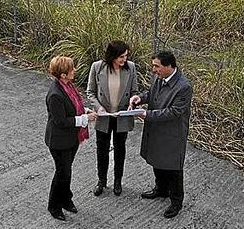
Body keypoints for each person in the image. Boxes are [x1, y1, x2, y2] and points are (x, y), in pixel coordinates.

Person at [128, 50, 192, 219]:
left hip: (172, 134)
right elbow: (151, 94)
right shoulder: (160, 78)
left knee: (173, 168)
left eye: (156, 66)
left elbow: (174, 112)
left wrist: (146, 115)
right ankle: (161, 190)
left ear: (169, 66)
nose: (153, 70)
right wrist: (139, 99)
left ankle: (176, 201)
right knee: (157, 160)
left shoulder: (184, 87)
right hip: (157, 129)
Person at [45, 56, 97, 221]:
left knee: (66, 172)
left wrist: (85, 110)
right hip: (59, 142)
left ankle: (66, 200)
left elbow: (74, 105)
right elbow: (60, 121)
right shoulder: (55, 94)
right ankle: (54, 206)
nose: (75, 70)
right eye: (72, 69)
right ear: (63, 75)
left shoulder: (67, 86)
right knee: (62, 173)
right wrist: (85, 119)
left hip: (71, 139)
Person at [85, 40, 138, 197]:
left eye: (126, 56)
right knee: (102, 150)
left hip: (121, 116)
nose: (124, 60)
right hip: (104, 116)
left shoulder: (131, 67)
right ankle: (101, 181)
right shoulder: (97, 67)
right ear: (112, 56)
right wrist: (98, 107)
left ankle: (117, 181)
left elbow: (135, 91)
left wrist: (132, 103)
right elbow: (90, 92)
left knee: (120, 149)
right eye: (121, 57)